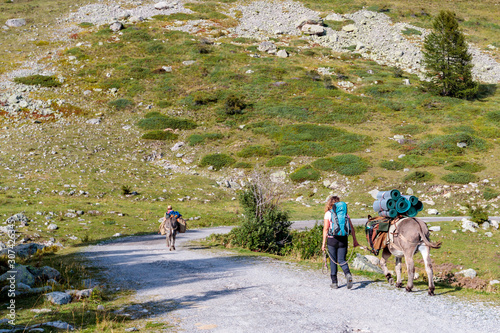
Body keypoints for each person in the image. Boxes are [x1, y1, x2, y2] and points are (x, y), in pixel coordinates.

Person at [321, 195, 359, 289]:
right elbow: (352, 228)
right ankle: (348, 274)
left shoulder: (328, 214)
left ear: (329, 204)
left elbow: (326, 229)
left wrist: (323, 243)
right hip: (343, 239)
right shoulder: (345, 214)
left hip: (332, 240)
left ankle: (334, 283)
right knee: (342, 260)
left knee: (333, 261)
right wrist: (355, 240)